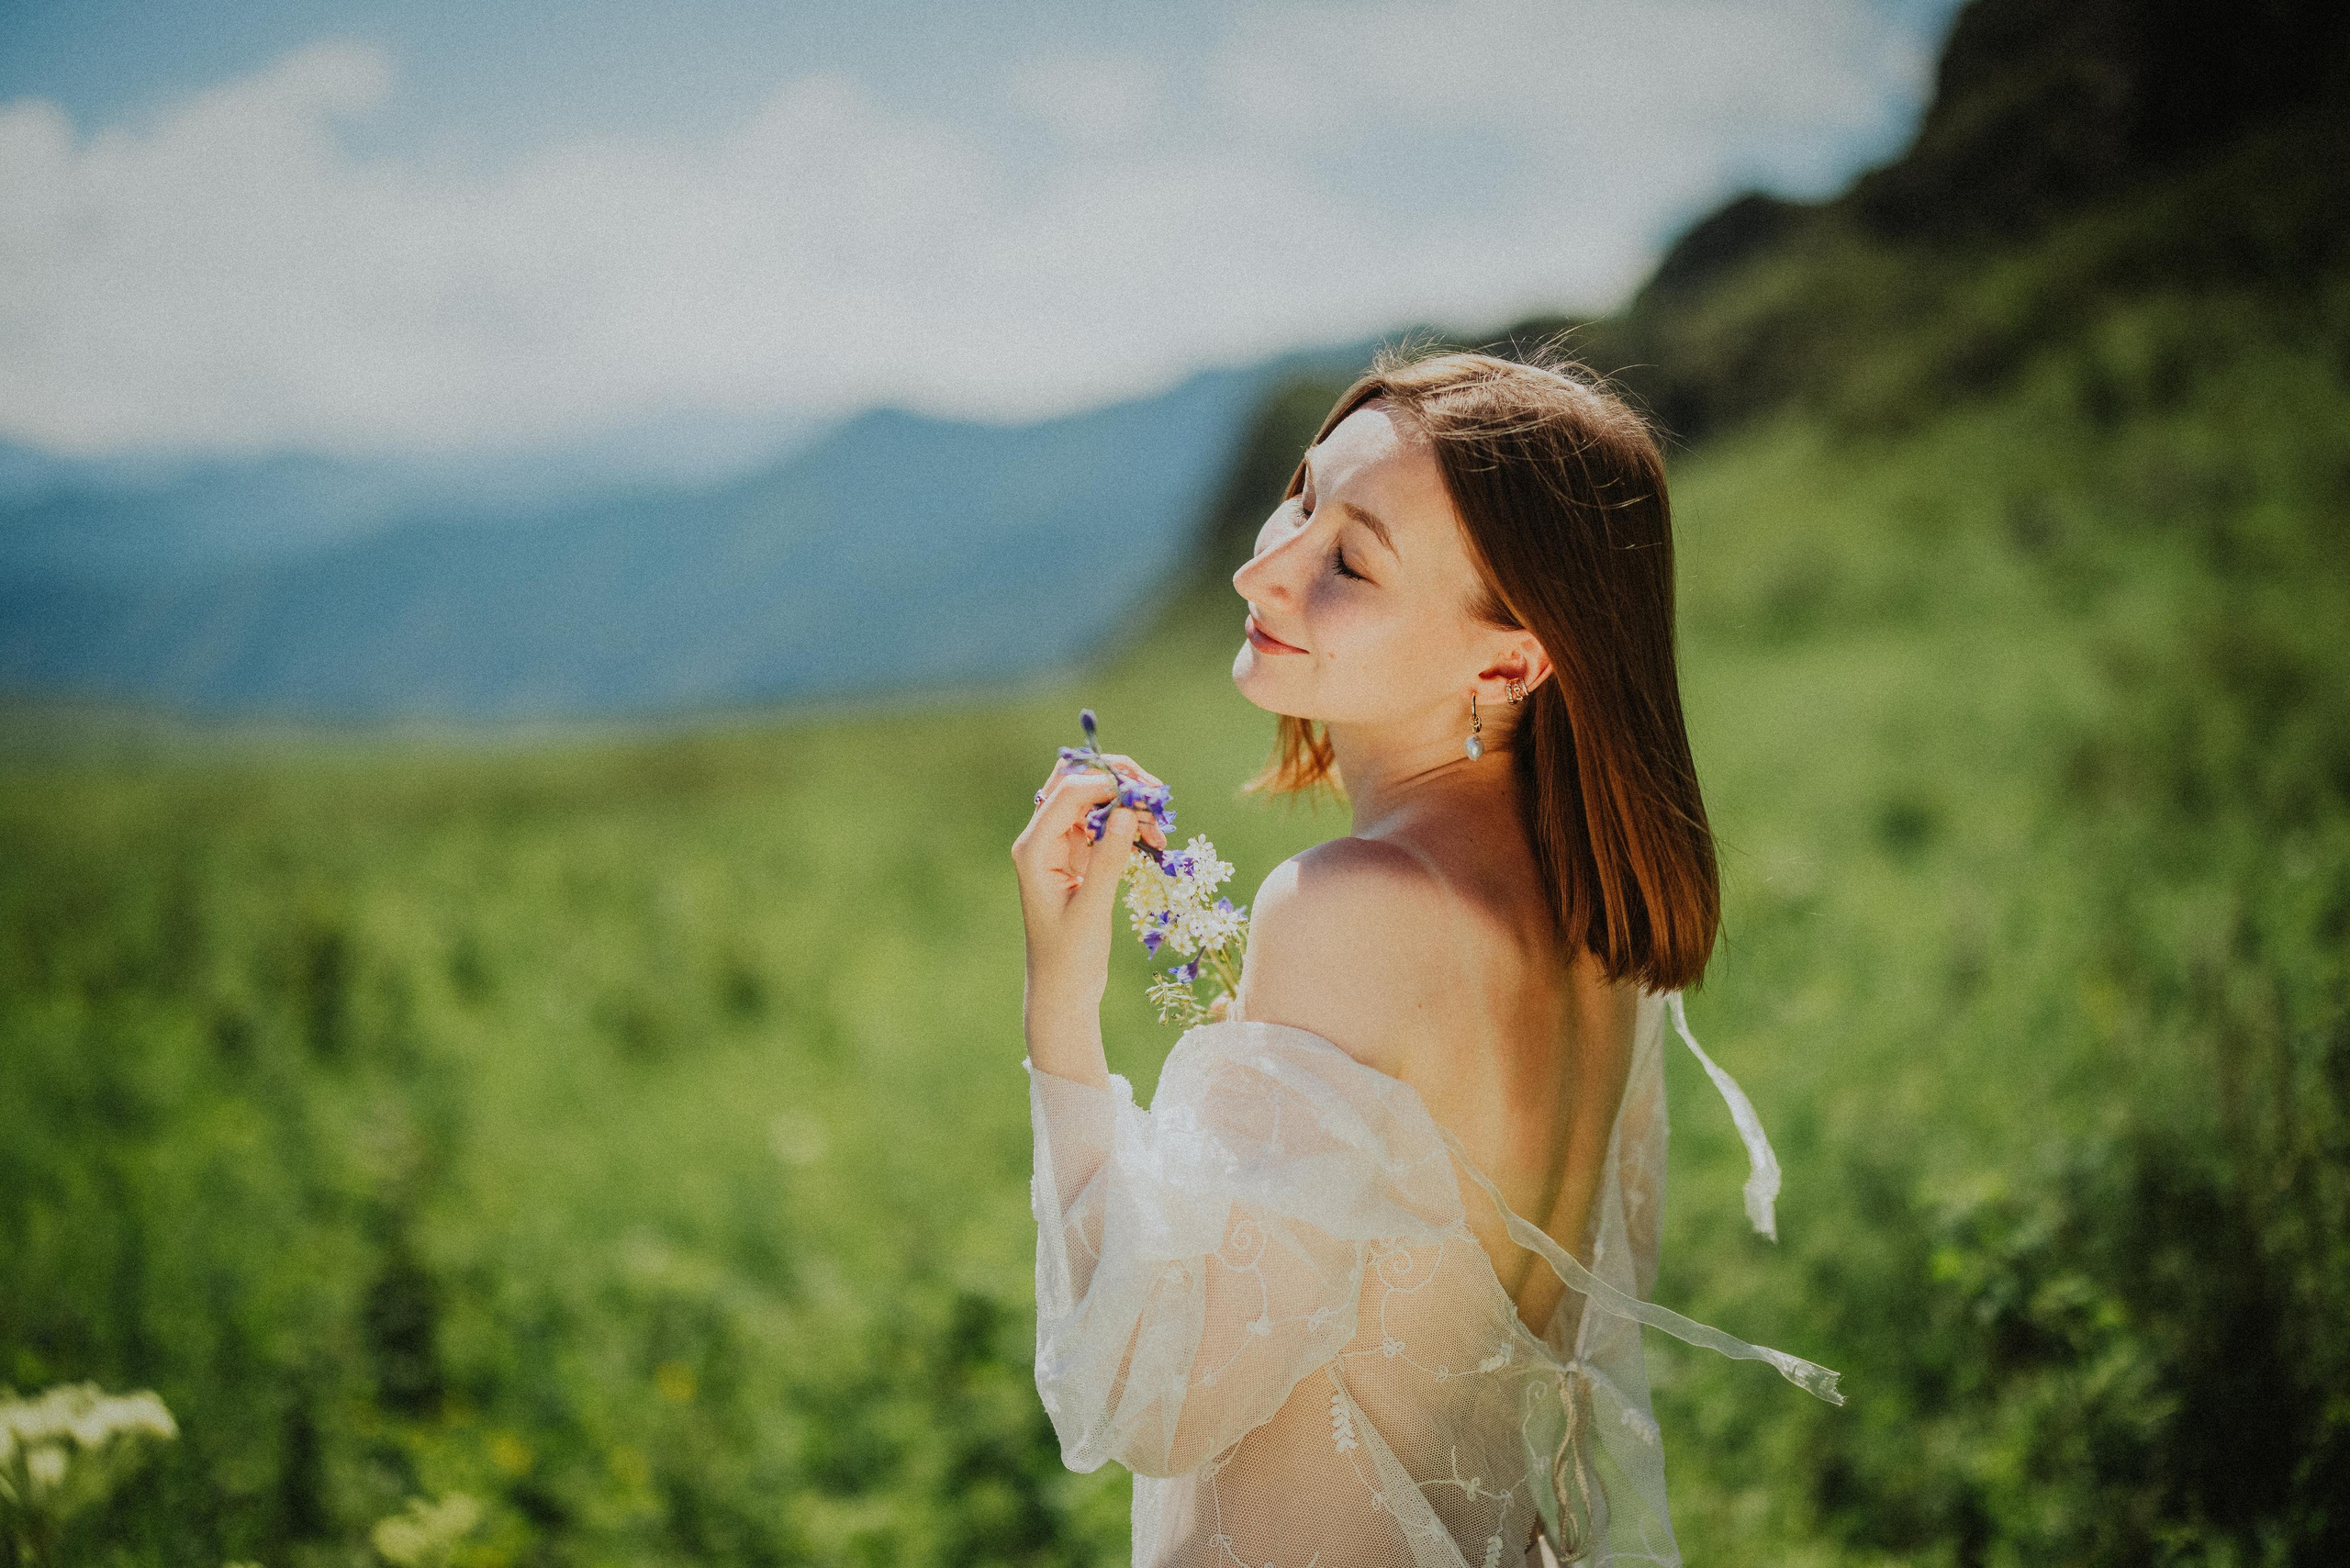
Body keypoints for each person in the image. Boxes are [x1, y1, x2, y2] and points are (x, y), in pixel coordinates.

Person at [1010, 344, 1841, 1567]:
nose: (1263, 567)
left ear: (1509, 661)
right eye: (1299, 497)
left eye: (1348, 561)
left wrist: (1060, 1014)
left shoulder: (1347, 907)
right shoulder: (1597, 917)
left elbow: (1156, 1397)